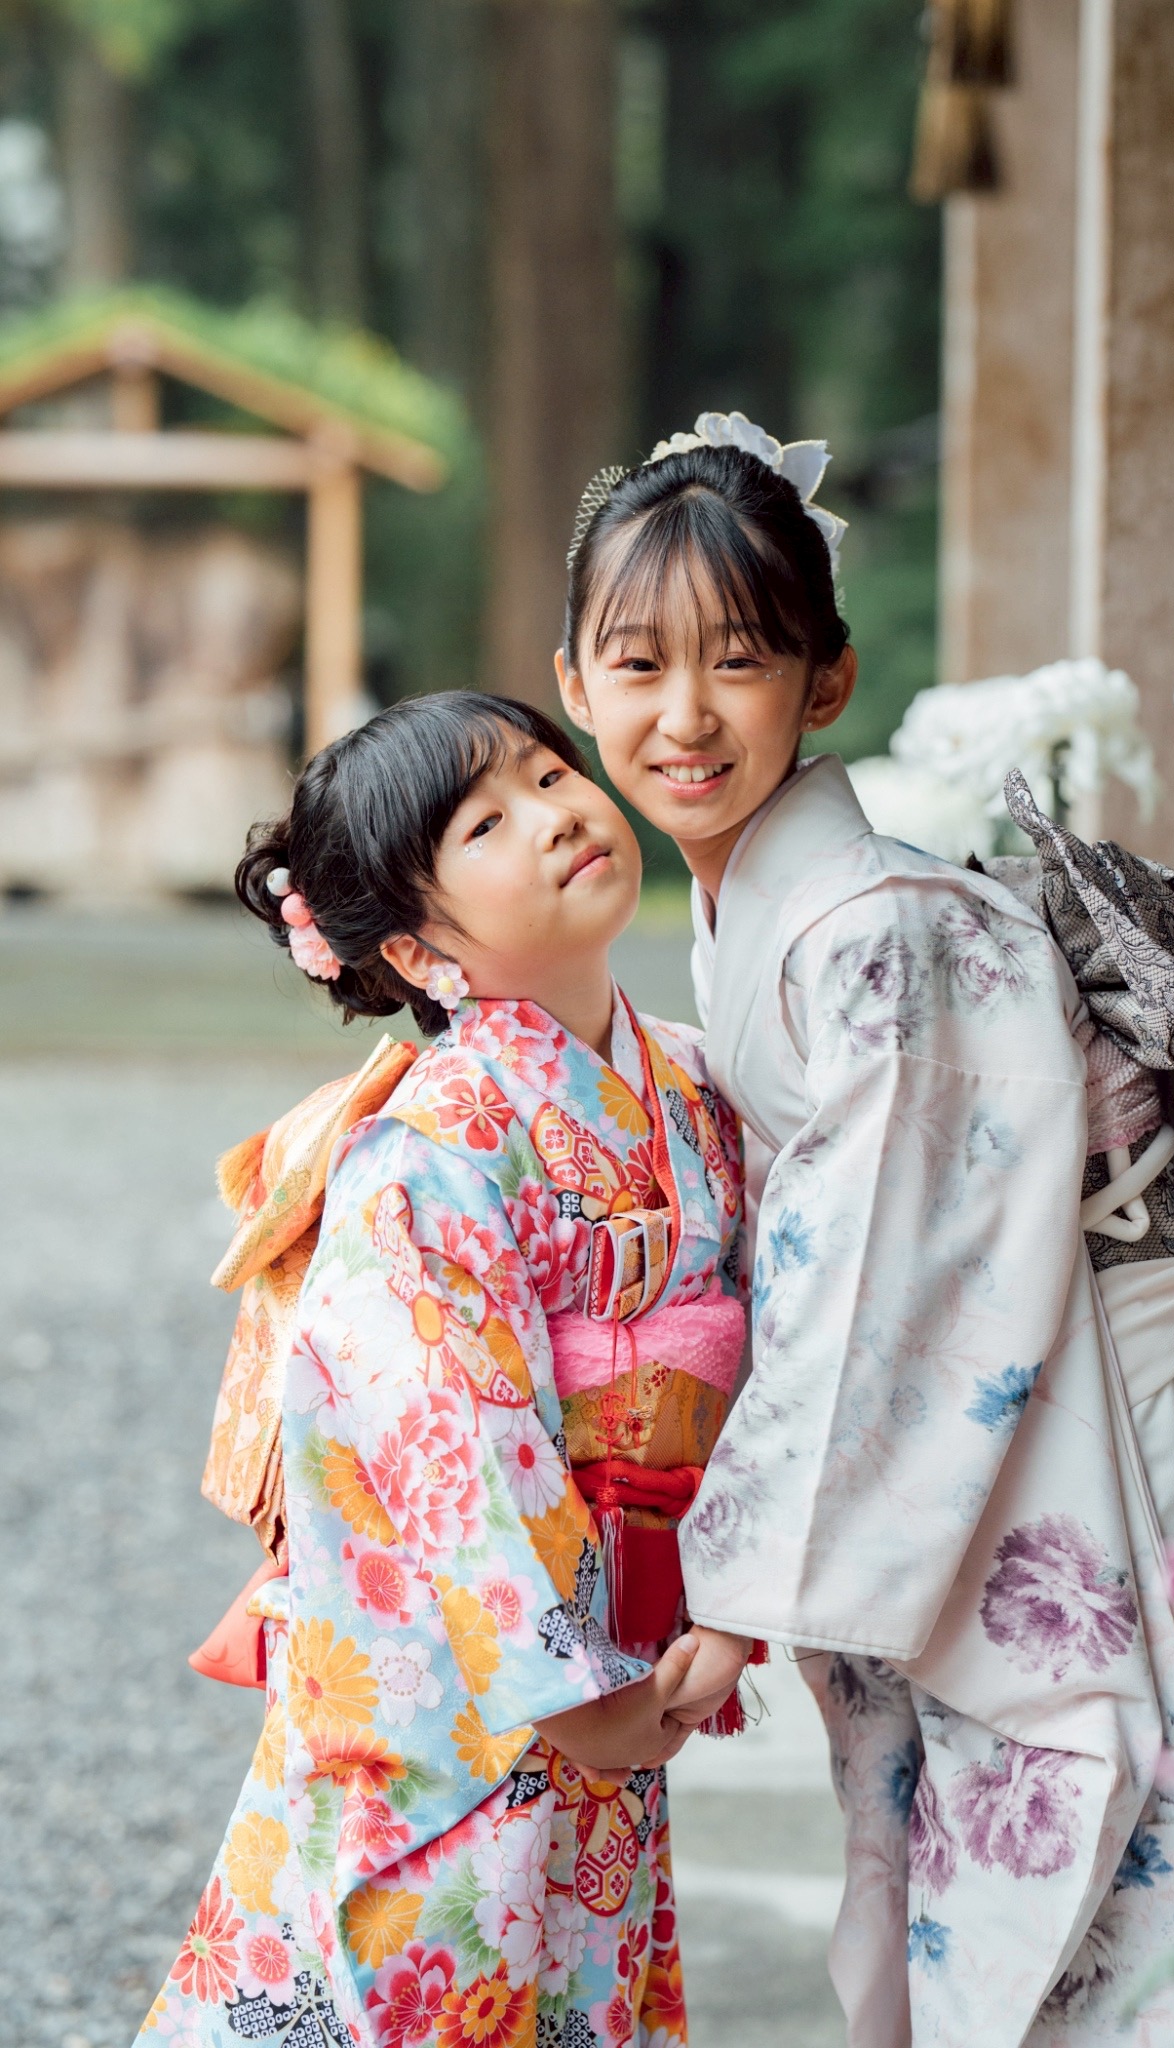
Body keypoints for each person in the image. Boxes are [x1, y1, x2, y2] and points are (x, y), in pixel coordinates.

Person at [555, 413, 1174, 2047]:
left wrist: (735, 1584)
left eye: (740, 659)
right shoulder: (780, 918)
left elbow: (869, 1282)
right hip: (991, 1453)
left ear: (826, 681)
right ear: (573, 684)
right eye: (636, 666)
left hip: (1098, 1447)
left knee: (1125, 1893)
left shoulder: (880, 933)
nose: (685, 716)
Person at [139, 692, 748, 2048]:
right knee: (436, 1980)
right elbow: (441, 1441)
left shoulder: (694, 1093)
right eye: (487, 821)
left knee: (579, 1979)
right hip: (454, 1689)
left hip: (627, 1646)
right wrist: (571, 1684)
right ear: (418, 947)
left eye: (548, 773)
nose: (554, 816)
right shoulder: (429, 1153)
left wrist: (740, 1597)